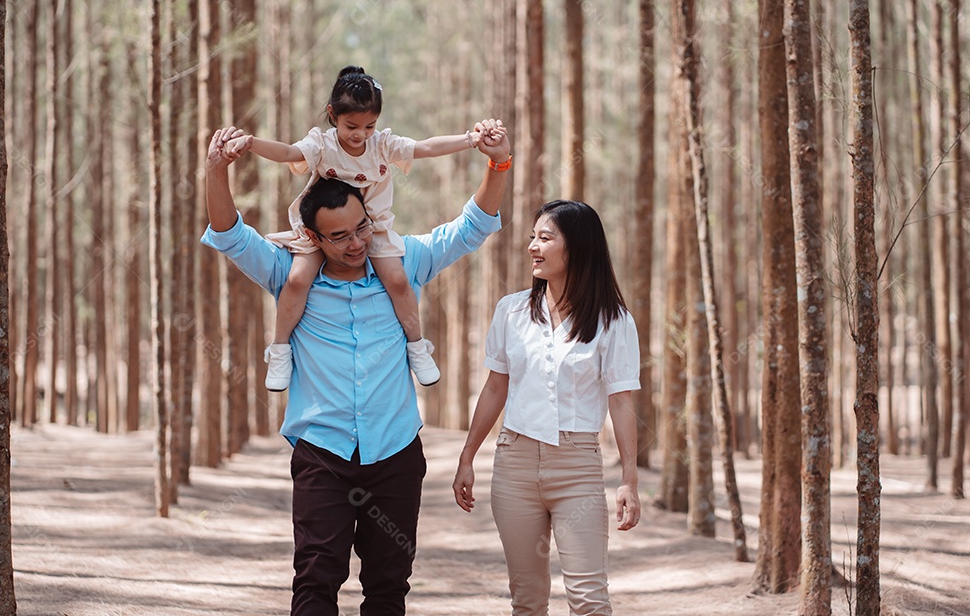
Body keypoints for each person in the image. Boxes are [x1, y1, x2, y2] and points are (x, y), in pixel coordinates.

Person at [202, 119, 512, 616]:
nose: (355, 243)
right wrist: (216, 171)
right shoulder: (288, 275)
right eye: (339, 236)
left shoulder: (402, 264)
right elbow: (229, 233)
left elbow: (471, 226)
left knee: (389, 586)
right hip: (322, 454)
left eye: (361, 227)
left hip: (395, 454)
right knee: (316, 579)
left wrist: (498, 163)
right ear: (312, 238)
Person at [223, 65, 503, 392]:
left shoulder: (382, 145)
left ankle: (417, 346)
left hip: (373, 228)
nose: (359, 134)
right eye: (351, 126)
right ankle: (280, 349)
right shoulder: (322, 145)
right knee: (297, 280)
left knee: (399, 281)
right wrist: (251, 142)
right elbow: (287, 153)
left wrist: (471, 140)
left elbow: (425, 147)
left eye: (369, 125)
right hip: (327, 232)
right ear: (333, 115)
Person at [452, 200, 641, 616]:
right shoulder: (512, 310)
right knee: (527, 599)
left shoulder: (613, 320)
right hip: (514, 466)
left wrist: (629, 477)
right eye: (532, 237)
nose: (532, 246)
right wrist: (468, 456)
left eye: (545, 237)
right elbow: (495, 387)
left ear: (577, 246)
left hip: (578, 468)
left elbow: (621, 400)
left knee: (590, 599)